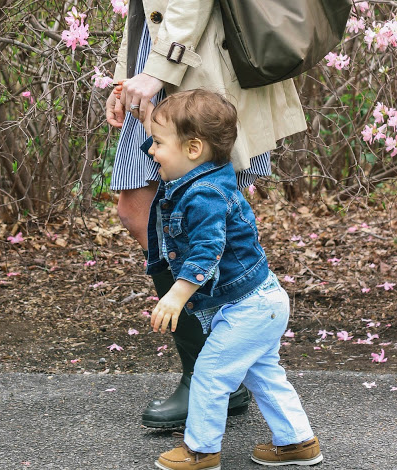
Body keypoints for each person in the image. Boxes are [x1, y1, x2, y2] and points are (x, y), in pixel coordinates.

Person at [105, 0, 307, 428]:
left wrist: (157, 69)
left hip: (191, 61)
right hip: (161, 55)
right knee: (147, 211)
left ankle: (213, 369)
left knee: (199, 204)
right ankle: (222, 359)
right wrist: (131, 76)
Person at [140, 89, 322, 469]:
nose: (150, 151)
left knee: (210, 373)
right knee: (264, 374)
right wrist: (153, 123)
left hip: (249, 308)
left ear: (192, 149)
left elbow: (209, 250)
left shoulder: (205, 194)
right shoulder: (200, 180)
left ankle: (201, 450)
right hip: (259, 302)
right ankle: (297, 443)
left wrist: (176, 295)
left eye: (157, 143)